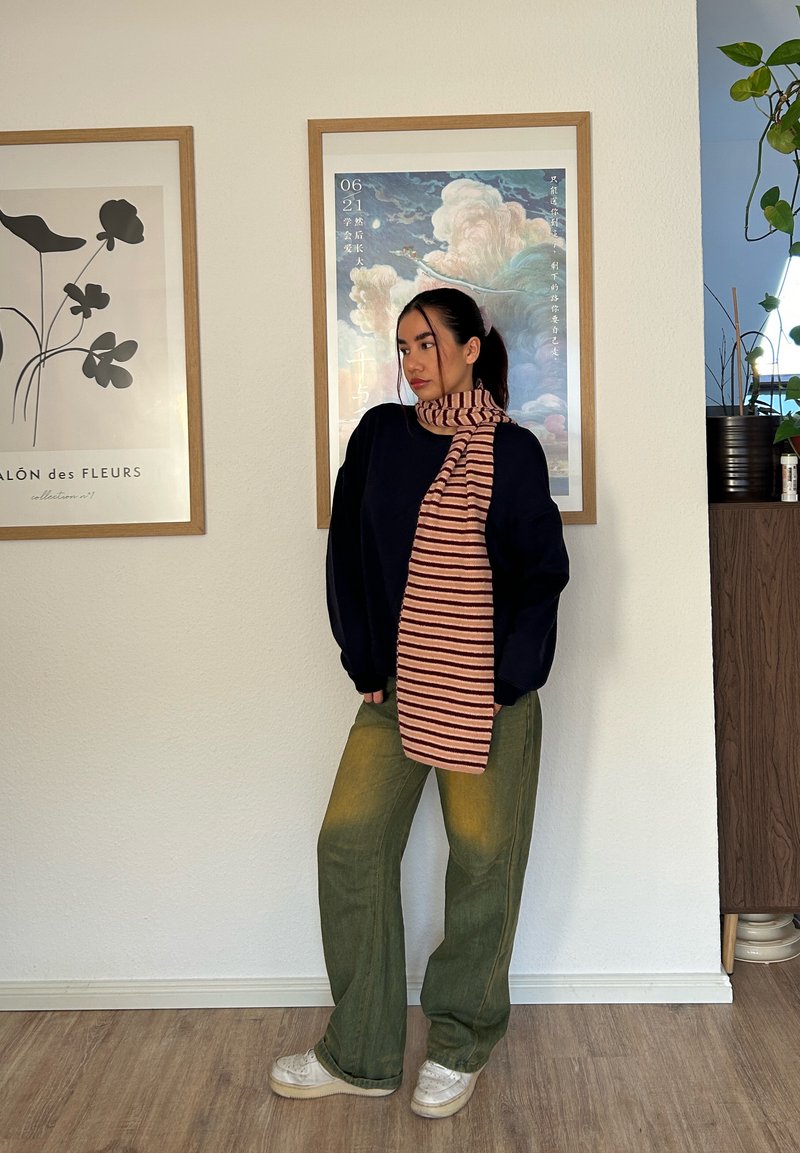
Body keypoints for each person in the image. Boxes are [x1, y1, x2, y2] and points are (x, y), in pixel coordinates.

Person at [270, 287, 569, 1118]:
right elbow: (347, 554)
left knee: (482, 862)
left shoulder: (513, 452)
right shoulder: (379, 437)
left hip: (489, 690)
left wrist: (510, 676)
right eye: (402, 347)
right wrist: (362, 654)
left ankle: (459, 1038)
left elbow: (540, 572)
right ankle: (361, 1050)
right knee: (350, 843)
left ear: (472, 347)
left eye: (426, 342)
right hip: (396, 687)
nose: (411, 362)